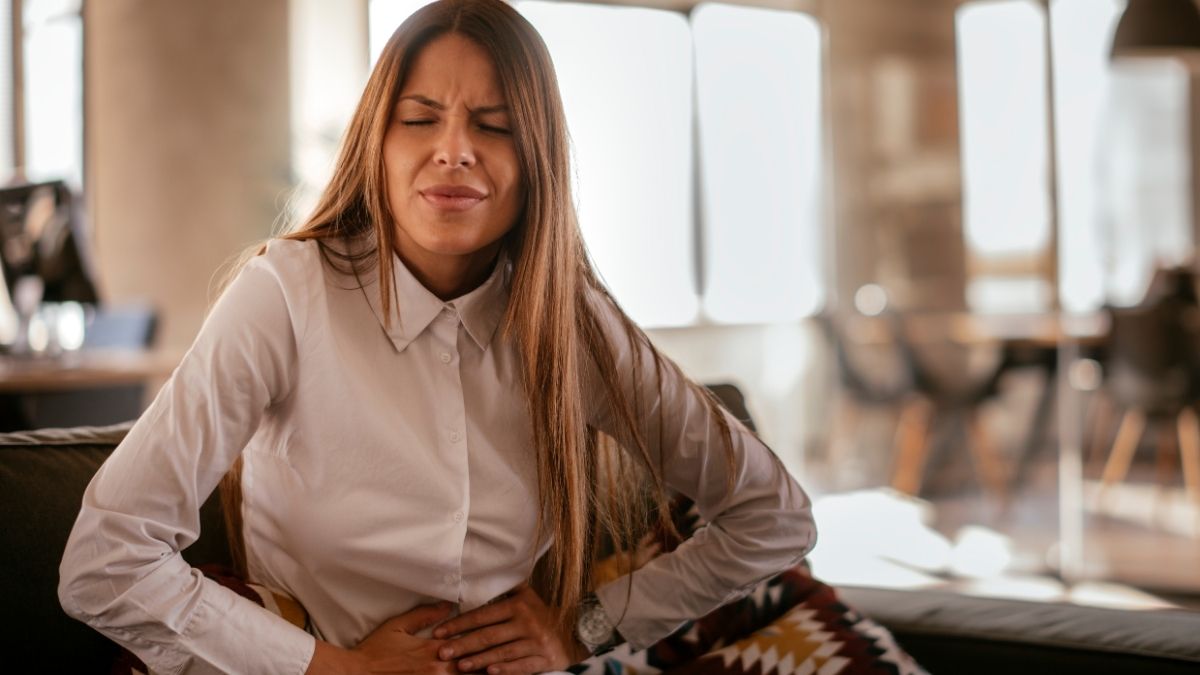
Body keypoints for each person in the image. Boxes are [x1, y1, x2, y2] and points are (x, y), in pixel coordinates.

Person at [58, 1, 816, 673]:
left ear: (536, 160)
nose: (453, 149)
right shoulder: (286, 295)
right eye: (420, 118)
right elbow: (106, 557)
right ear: (376, 146)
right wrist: (332, 668)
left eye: (494, 126)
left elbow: (773, 514)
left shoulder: (570, 318)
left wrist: (585, 625)